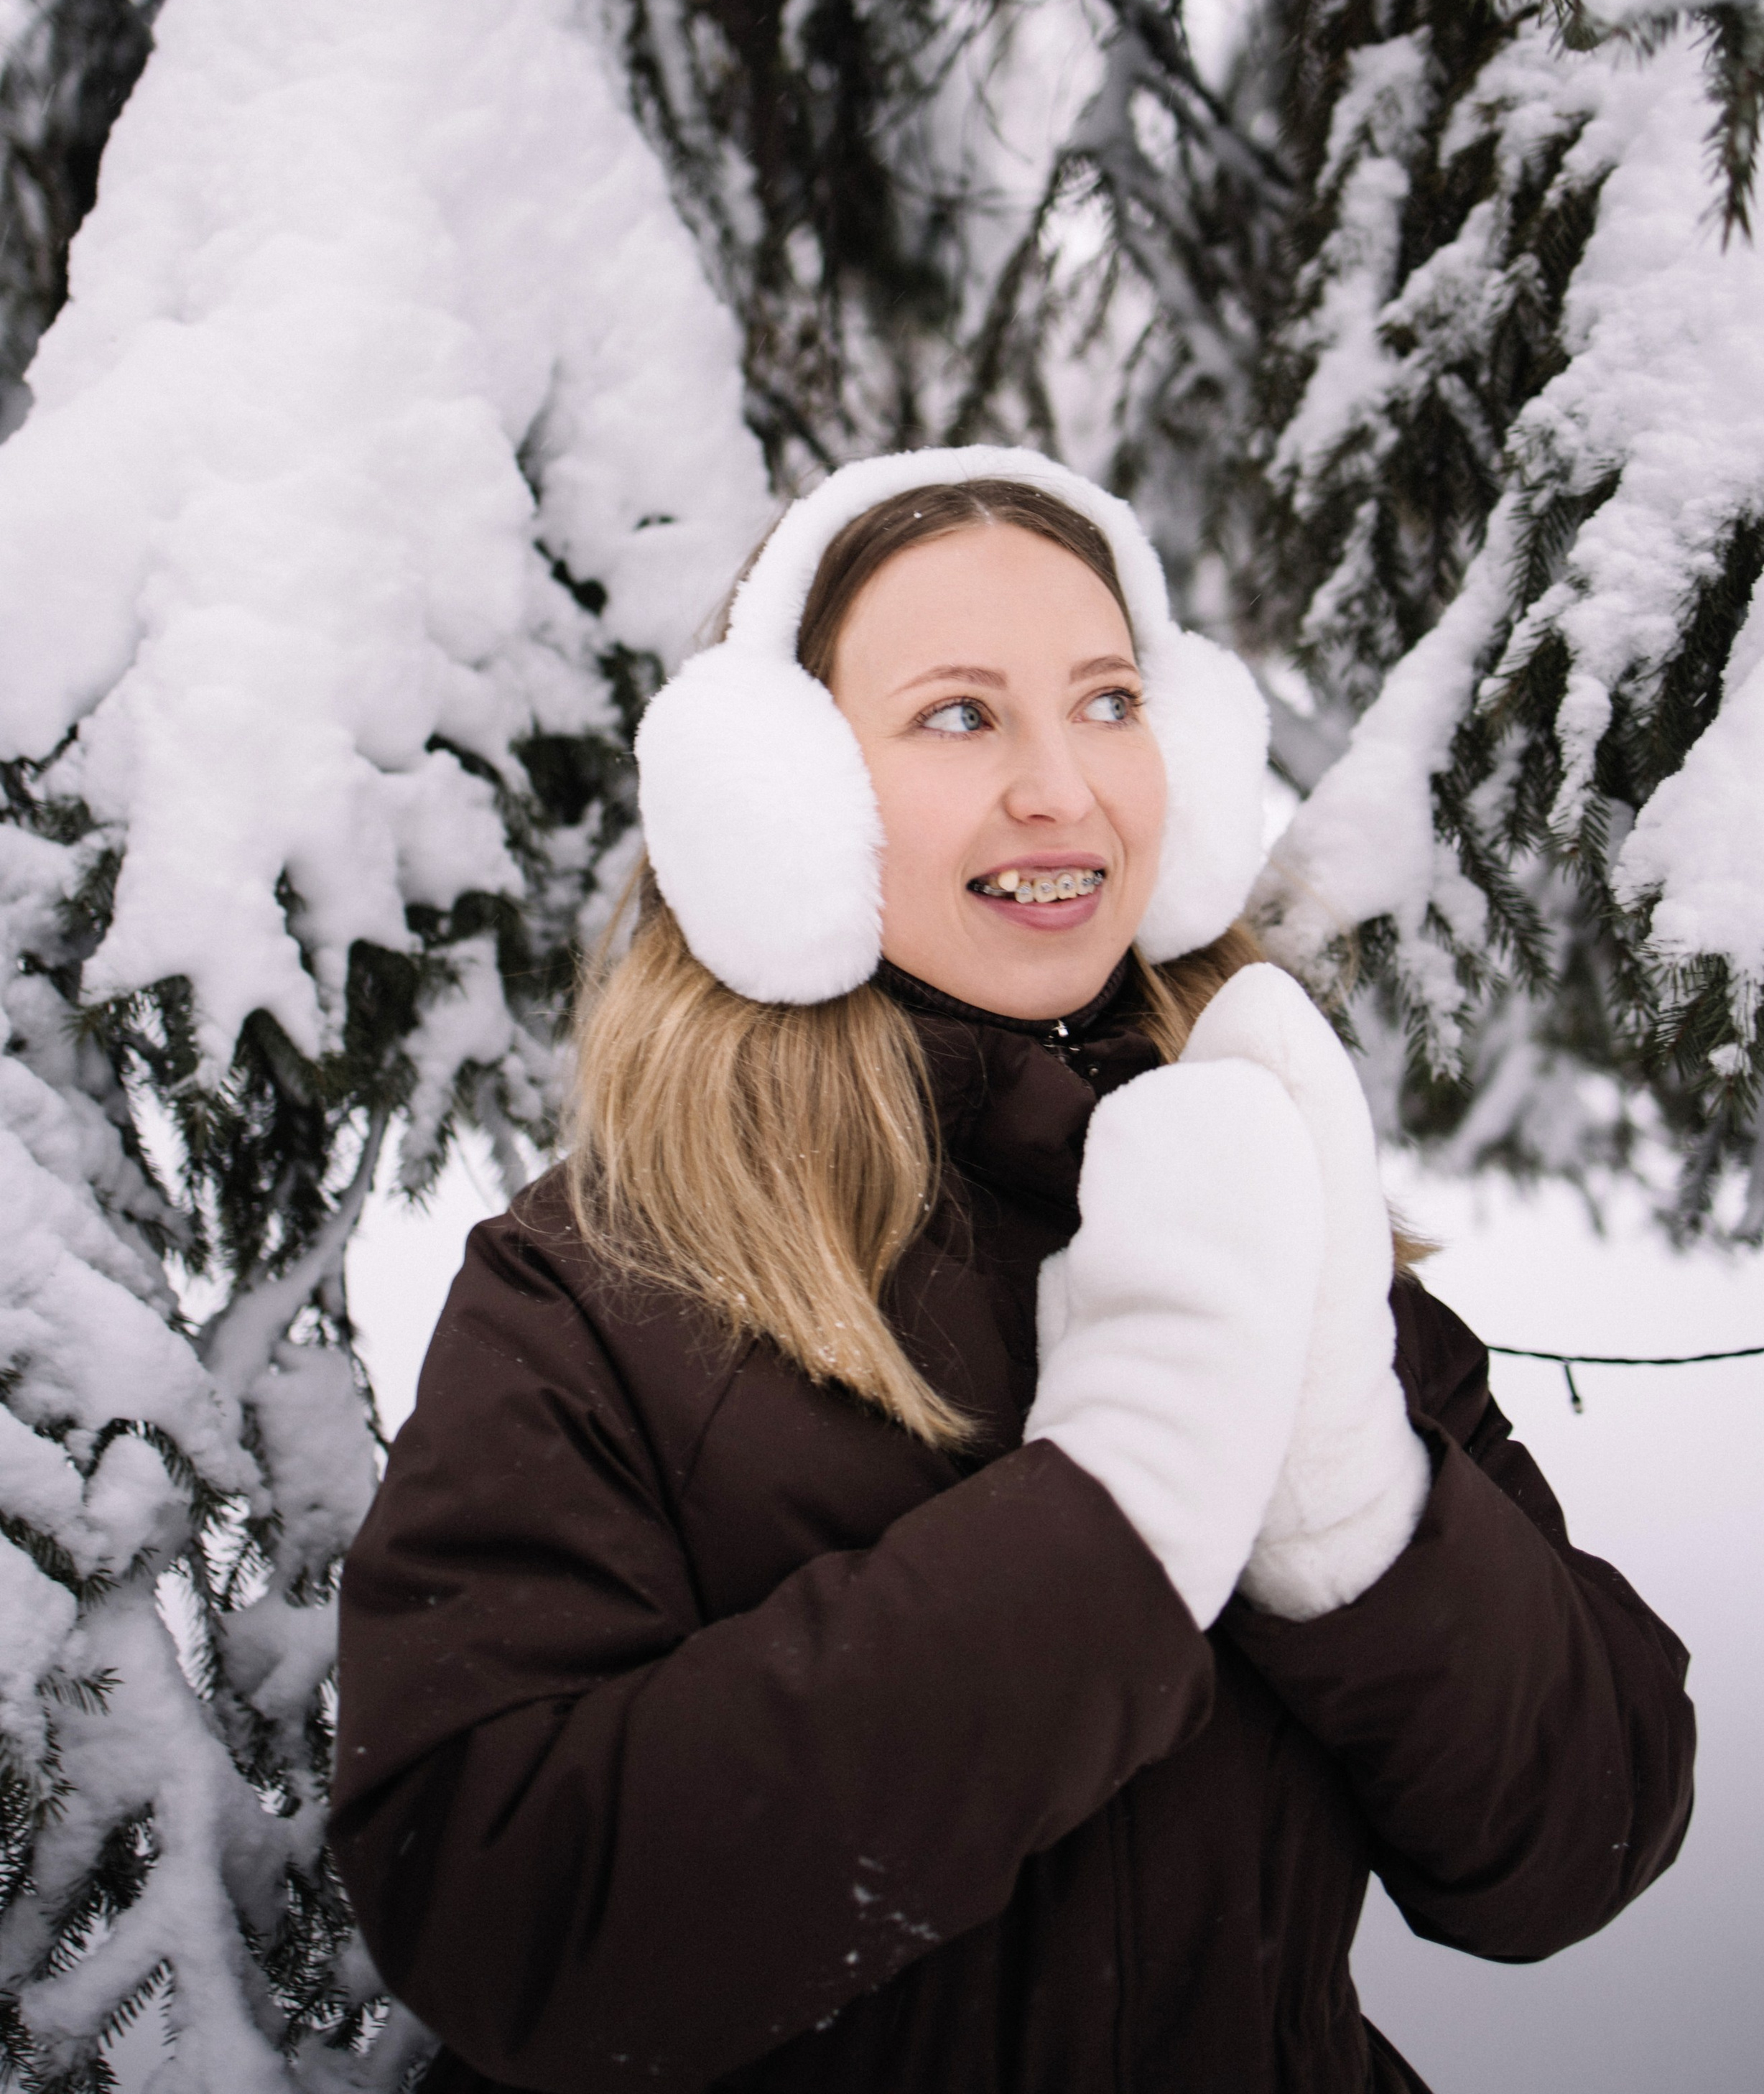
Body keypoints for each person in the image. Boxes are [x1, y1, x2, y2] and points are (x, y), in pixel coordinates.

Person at [330, 446, 1694, 2094]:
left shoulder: (1269, 1194)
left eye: (1109, 703)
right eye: (961, 716)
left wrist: (1344, 1501)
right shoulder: (601, 1285)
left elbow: (1575, 1841)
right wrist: (1110, 1518)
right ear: (784, 801)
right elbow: (506, 1914)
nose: (1066, 788)